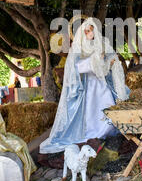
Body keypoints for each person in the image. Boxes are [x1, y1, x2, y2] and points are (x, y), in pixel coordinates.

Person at [39, 18, 129, 154]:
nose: (90, 34)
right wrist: (93, 61)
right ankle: (95, 132)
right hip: (88, 85)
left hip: (101, 83)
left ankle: (107, 130)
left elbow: (104, 65)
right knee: (92, 110)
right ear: (82, 32)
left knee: (107, 104)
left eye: (92, 30)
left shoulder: (100, 44)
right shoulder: (78, 47)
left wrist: (107, 63)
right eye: (87, 31)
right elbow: (77, 67)